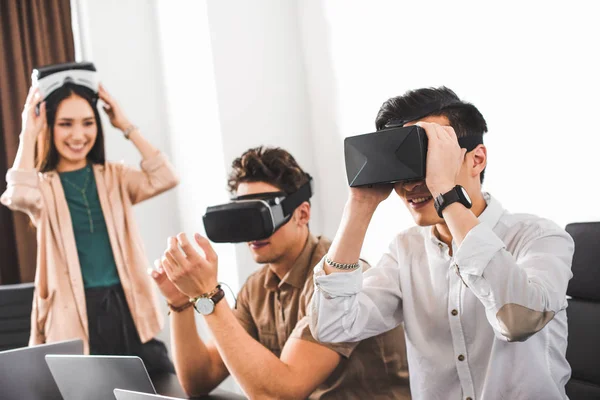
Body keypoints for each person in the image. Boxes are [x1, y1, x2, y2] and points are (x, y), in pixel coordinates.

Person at [308, 87, 574, 400]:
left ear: (476, 159)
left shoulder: (540, 237)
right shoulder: (406, 250)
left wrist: (445, 192)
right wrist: (360, 204)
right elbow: (333, 327)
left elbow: (517, 321)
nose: (409, 183)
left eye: (427, 158)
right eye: (402, 163)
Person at [151, 147, 411, 399]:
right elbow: (199, 380)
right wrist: (181, 301)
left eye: (262, 216)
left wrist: (209, 295)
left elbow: (281, 392)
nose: (253, 232)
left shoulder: (341, 279)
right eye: (245, 217)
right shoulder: (257, 288)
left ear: (302, 214)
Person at [1, 81, 179, 376]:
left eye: (87, 123)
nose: (78, 135)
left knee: (160, 383)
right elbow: (17, 194)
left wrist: (125, 125)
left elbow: (165, 177)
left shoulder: (115, 176)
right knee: (87, 390)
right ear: (49, 126)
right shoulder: (43, 187)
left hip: (128, 305)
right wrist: (28, 132)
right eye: (65, 124)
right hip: (73, 312)